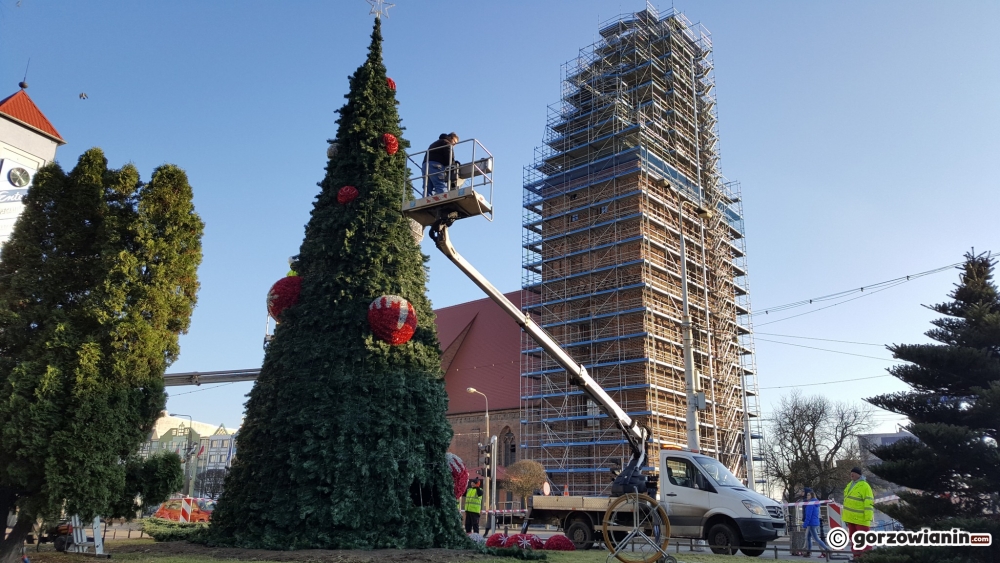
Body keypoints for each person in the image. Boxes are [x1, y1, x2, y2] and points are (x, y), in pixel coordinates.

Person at [843, 467, 874, 559]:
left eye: (854, 473)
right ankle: (856, 557)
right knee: (854, 539)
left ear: (859, 475)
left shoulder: (865, 486)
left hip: (861, 518)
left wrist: (868, 517)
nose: (851, 474)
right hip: (851, 518)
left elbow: (869, 502)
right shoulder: (850, 485)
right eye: (851, 473)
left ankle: (867, 558)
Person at [802, 487, 830, 558]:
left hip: (811, 523)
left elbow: (808, 515)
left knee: (816, 538)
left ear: (811, 496)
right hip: (814, 522)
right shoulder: (816, 503)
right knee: (808, 538)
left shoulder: (810, 504)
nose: (807, 496)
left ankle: (827, 550)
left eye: (808, 495)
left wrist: (805, 524)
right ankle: (808, 552)